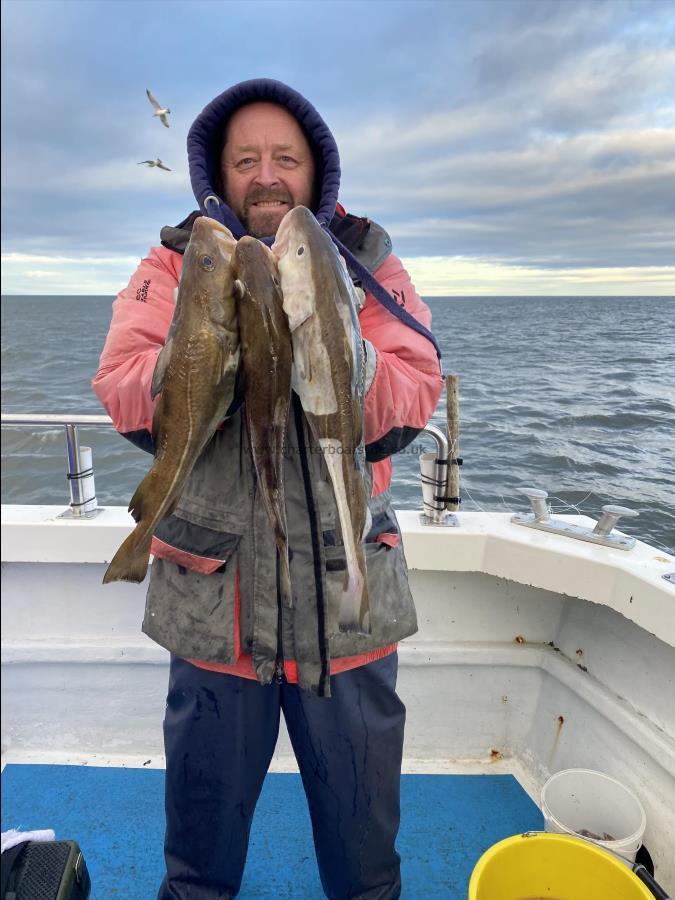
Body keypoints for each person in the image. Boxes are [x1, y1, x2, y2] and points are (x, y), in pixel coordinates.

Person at [93, 78, 443, 900]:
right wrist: (209, 350)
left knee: (365, 864)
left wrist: (329, 346)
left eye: (284, 157)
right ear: (216, 169)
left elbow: (414, 388)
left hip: (345, 602)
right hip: (217, 607)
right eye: (245, 159)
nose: (266, 175)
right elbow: (119, 386)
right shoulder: (175, 260)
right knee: (199, 859)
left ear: (316, 171)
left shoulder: (367, 258)